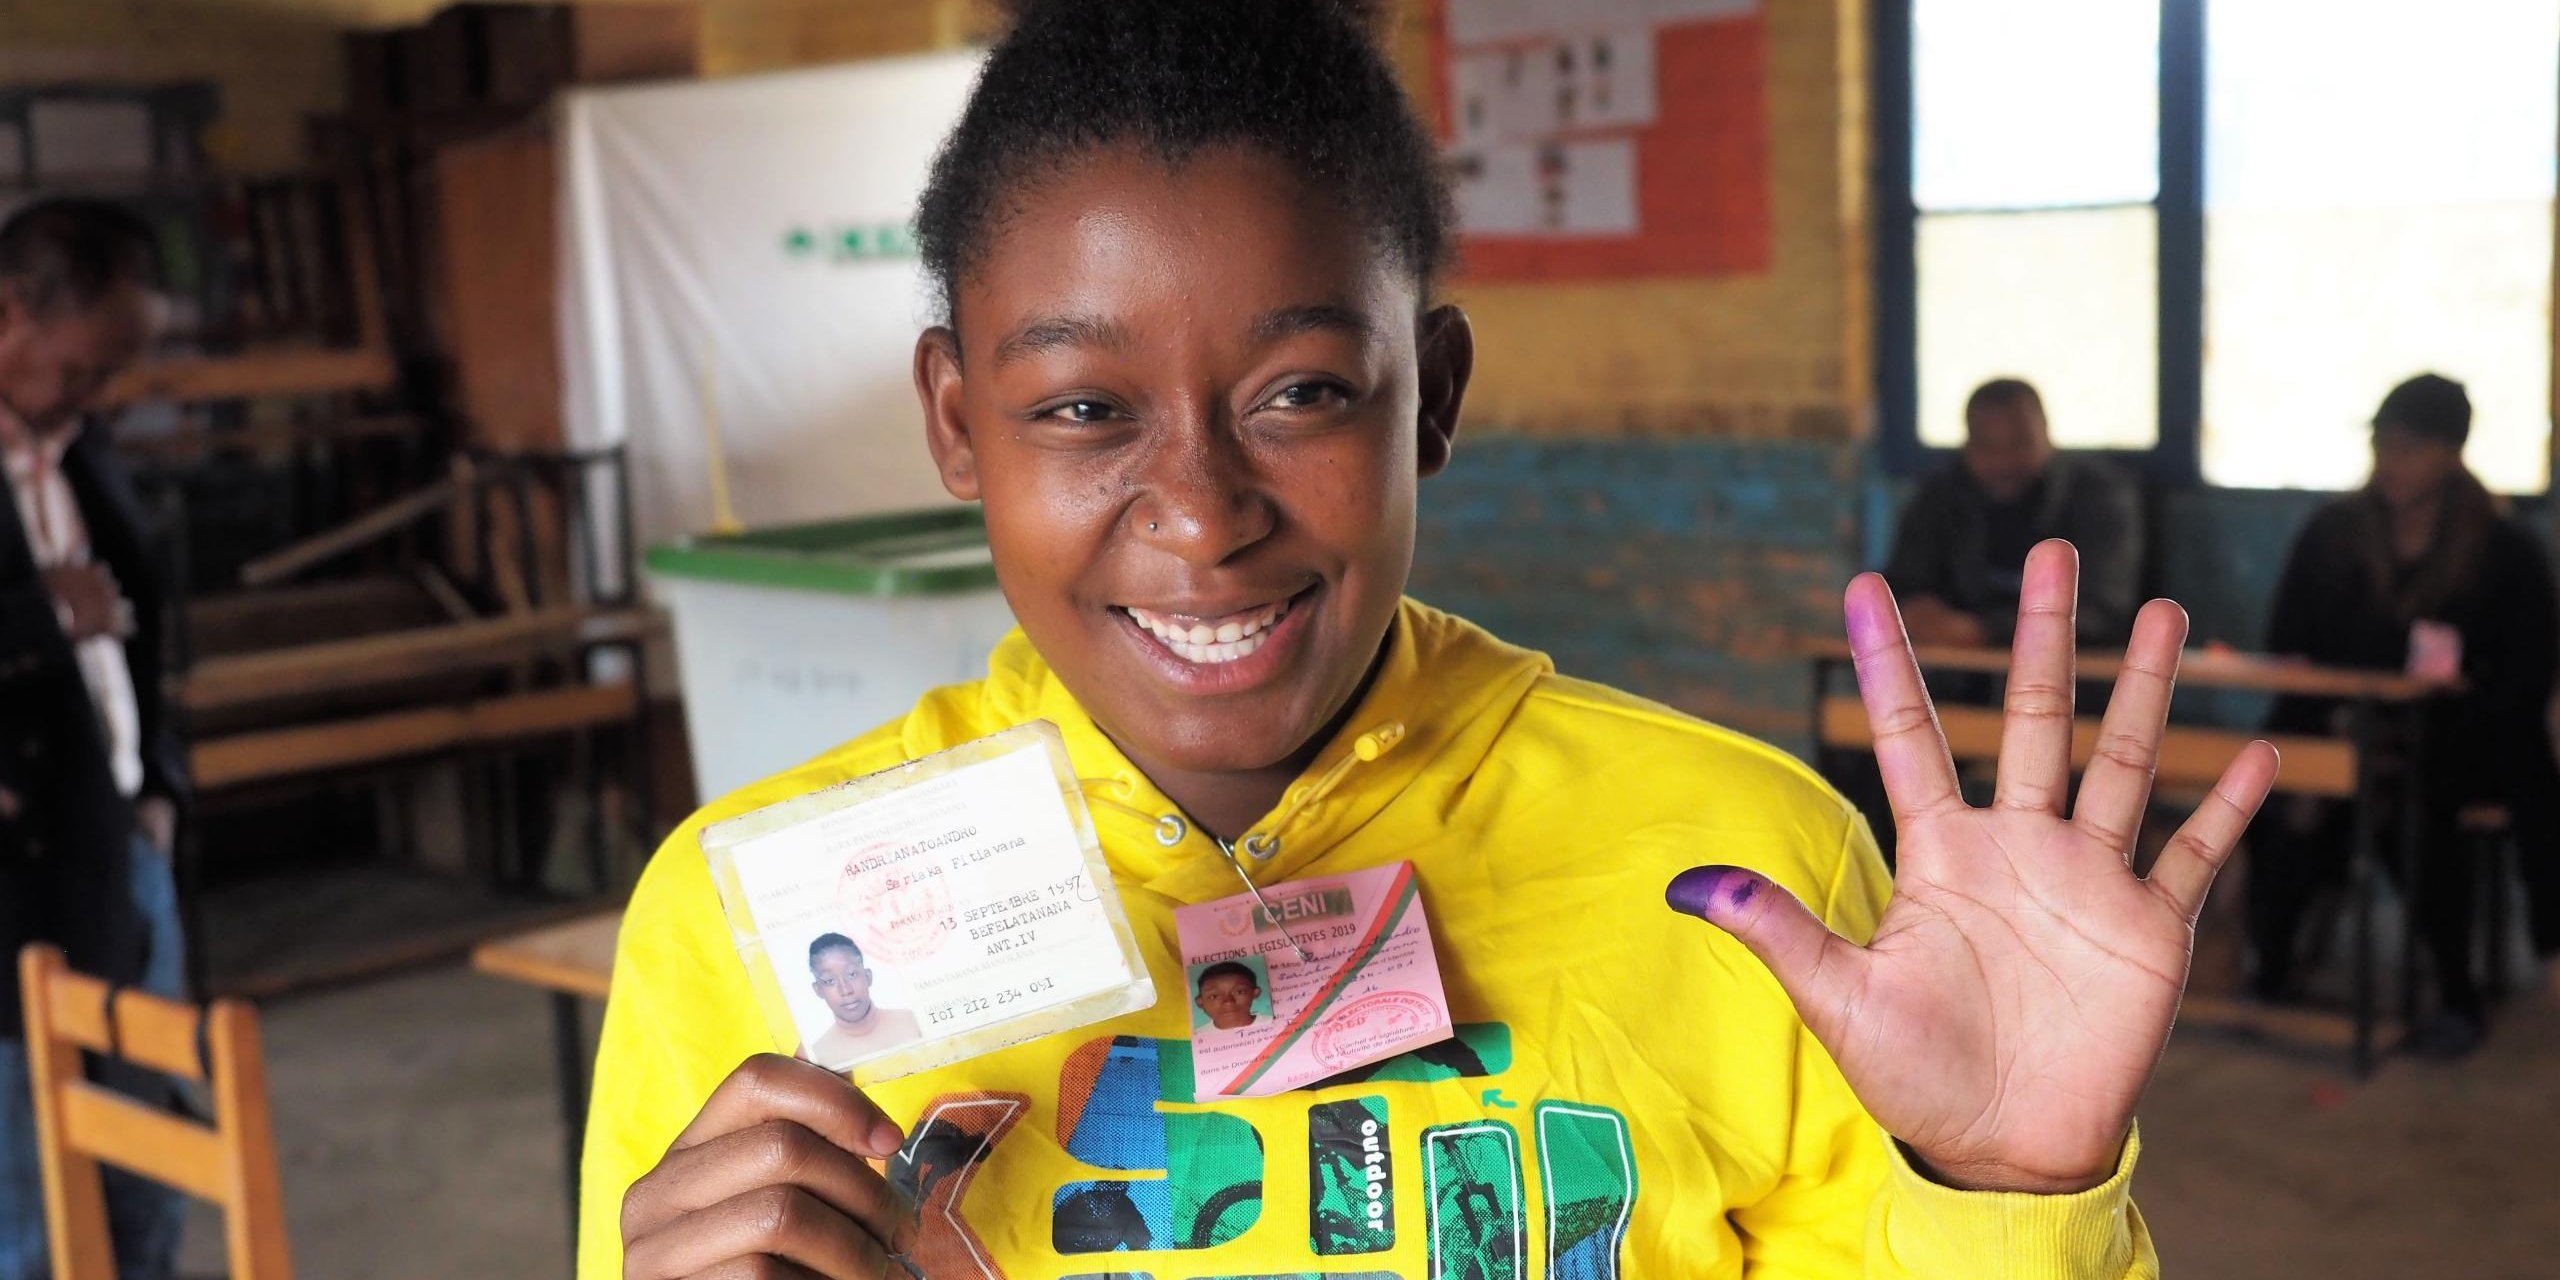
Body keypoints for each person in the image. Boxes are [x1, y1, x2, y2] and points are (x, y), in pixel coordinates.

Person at [582, 5, 2276, 1277]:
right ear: (960, 424)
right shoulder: (743, 931)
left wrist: (2005, 1189)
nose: (1201, 506)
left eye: (1301, 394)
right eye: (1085, 406)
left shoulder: (1746, 875)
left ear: (1436, 396)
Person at [2250, 372, 2560, 1057]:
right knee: (2282, 791)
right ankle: (2268, 968)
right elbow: (2290, 640)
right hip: (2340, 724)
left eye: (2411, 448)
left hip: (2457, 743)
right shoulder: (2334, 534)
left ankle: (2456, 991)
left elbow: (2522, 677)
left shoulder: (2504, 551)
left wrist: (2426, 690)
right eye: (2384, 445)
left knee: (2416, 806)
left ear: (2450, 454)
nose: (2393, 462)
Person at [0, 198, 189, 1280]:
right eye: (81, 367)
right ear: (10, 310)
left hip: (120, 846)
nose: (96, 394)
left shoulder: (78, 442)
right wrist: (39, 617)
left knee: (143, 1173)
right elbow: (71, 612)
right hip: (13, 891)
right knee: (29, 1213)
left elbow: (144, 624)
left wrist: (158, 789)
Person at [1886, 378, 2145, 647]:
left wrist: (1985, 631)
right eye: (1987, 447)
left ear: (2046, 434)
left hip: (2079, 675)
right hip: (1958, 677)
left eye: (2019, 444)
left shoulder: (2100, 496)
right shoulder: (1940, 494)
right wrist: (1917, 612)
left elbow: (2106, 610)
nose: (2003, 461)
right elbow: (1904, 583)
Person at [801, 934, 922, 1065]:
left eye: (852, 974)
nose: (845, 990)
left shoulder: (913, 1023)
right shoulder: (818, 1058)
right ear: (818, 990)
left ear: (868, 976)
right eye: (829, 981)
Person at [1192, 961, 1266, 1032]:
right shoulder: (1197, 1035)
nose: (1228, 1002)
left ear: (1255, 993)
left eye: (1240, 992)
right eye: (1214, 996)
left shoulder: (1272, 1024)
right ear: (1200, 1002)